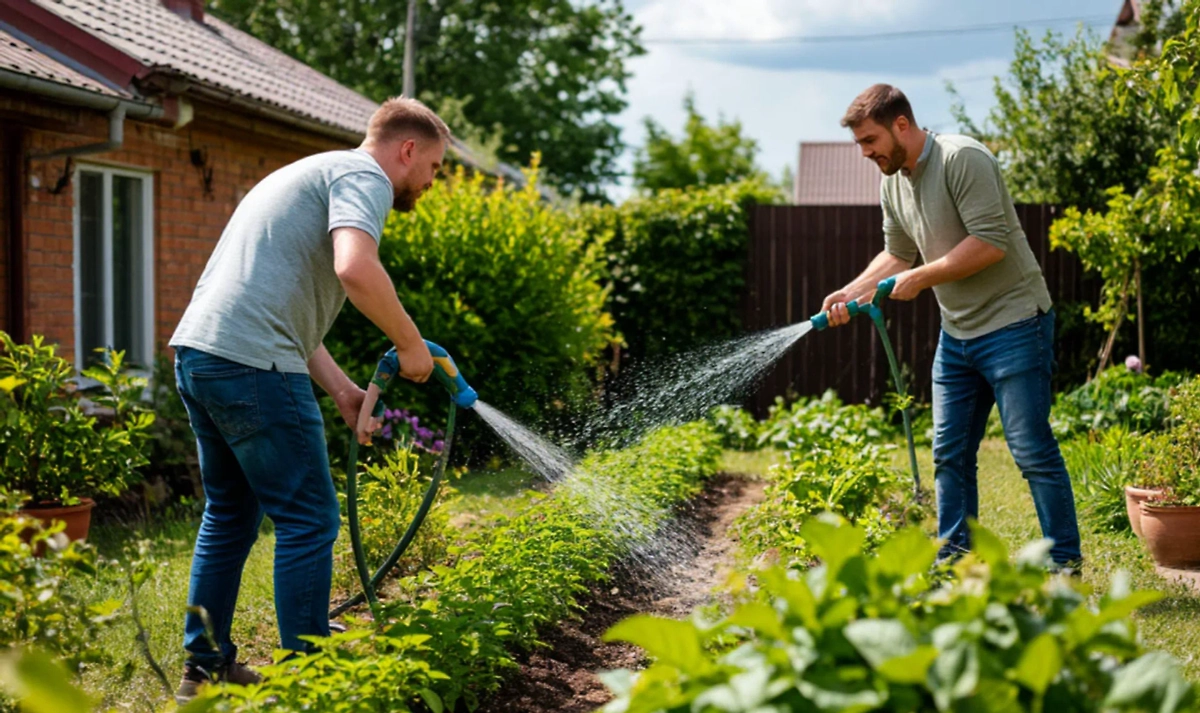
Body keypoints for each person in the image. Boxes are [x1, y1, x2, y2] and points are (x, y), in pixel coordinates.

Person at [168, 97, 447, 702]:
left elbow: (287, 313)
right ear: (408, 150)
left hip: (202, 353)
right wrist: (410, 344)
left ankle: (204, 669)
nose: (430, 182)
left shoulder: (307, 172)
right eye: (434, 167)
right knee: (309, 518)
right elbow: (355, 266)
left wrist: (344, 391)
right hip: (252, 363)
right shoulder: (363, 177)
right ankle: (309, 680)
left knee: (230, 514)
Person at [821, 83, 1081, 570]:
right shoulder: (892, 180)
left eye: (870, 140)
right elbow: (896, 254)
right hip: (957, 335)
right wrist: (851, 291)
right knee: (949, 454)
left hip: (1014, 322)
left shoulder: (963, 159)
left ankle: (1063, 566)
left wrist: (918, 279)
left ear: (902, 125)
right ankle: (955, 563)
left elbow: (989, 244)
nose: (866, 153)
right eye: (860, 145)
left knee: (1029, 449)